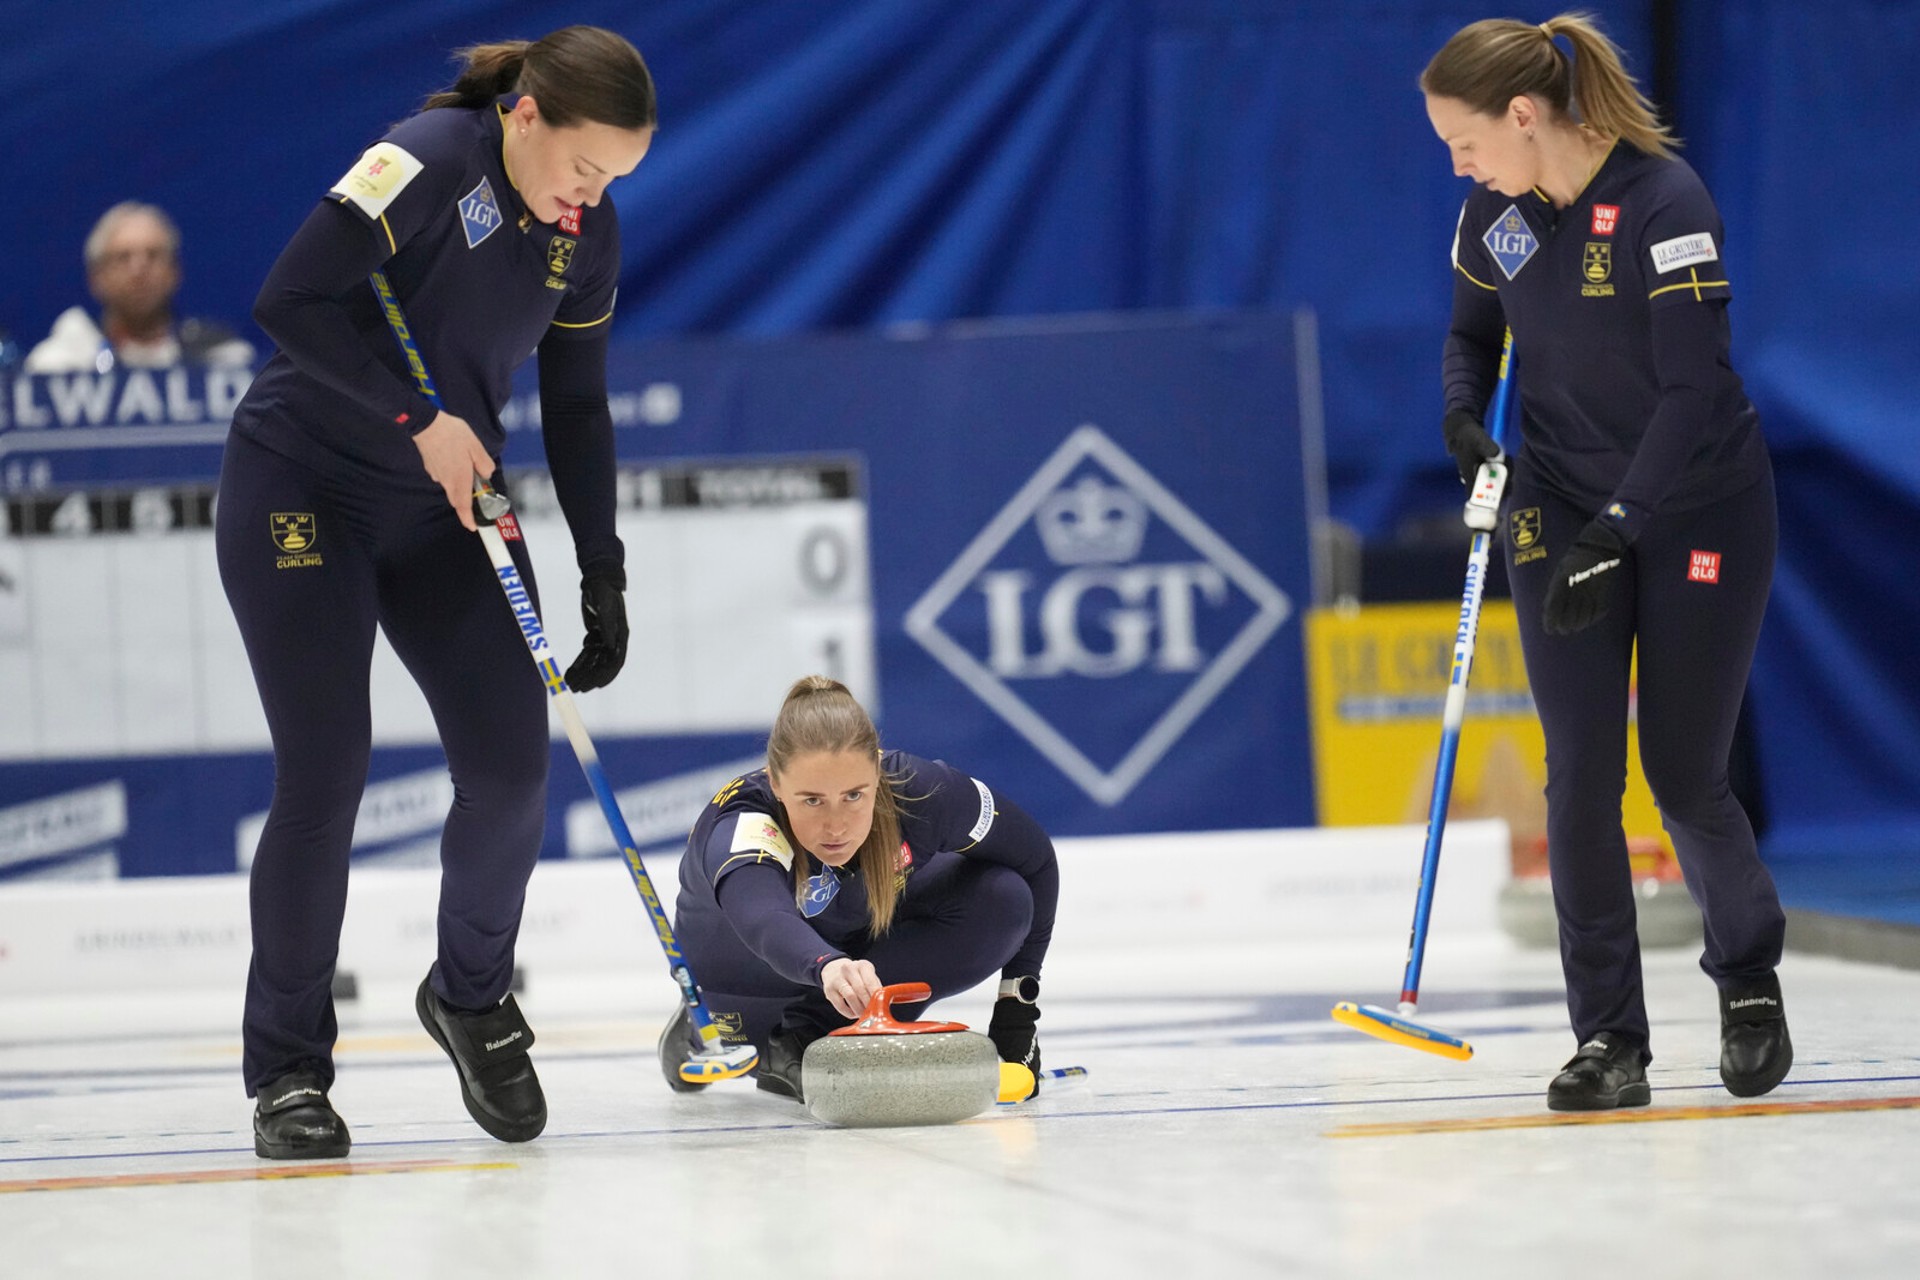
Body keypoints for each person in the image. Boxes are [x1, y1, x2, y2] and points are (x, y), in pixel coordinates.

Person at [216, 26, 656, 1159]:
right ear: (526, 116)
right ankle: (289, 1072)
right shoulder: (426, 158)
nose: (592, 197)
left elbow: (578, 406)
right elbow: (289, 300)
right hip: (301, 484)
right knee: (328, 770)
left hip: (440, 509)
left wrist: (600, 565)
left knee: (513, 765)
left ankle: (469, 992)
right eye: (584, 167)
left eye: (613, 179)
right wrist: (418, 418)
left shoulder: (584, 235)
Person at [1422, 14, 1788, 1111]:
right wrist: (1459, 420)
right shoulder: (1500, 211)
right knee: (1580, 775)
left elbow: (1689, 395)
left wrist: (1619, 531)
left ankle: (1750, 978)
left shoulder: (1667, 205)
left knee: (1682, 771)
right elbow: (1472, 339)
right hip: (1558, 500)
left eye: (1466, 140)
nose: (1459, 164)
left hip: (1698, 504)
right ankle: (1609, 1038)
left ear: (1525, 116)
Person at [660, 676, 1057, 1103]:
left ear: (878, 770)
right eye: (811, 800)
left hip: (842, 963)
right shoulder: (743, 824)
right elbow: (765, 918)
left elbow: (1034, 859)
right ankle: (742, 1034)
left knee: (1002, 897)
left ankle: (816, 1029)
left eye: (854, 795)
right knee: (790, 957)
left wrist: (1018, 1014)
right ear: (775, 783)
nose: (836, 825)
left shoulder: (918, 788)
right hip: (752, 989)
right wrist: (828, 966)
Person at [24, 202, 255, 373]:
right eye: (123, 258)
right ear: (96, 278)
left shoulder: (221, 358)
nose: (139, 270)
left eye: (153, 256)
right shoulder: (59, 366)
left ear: (175, 272)